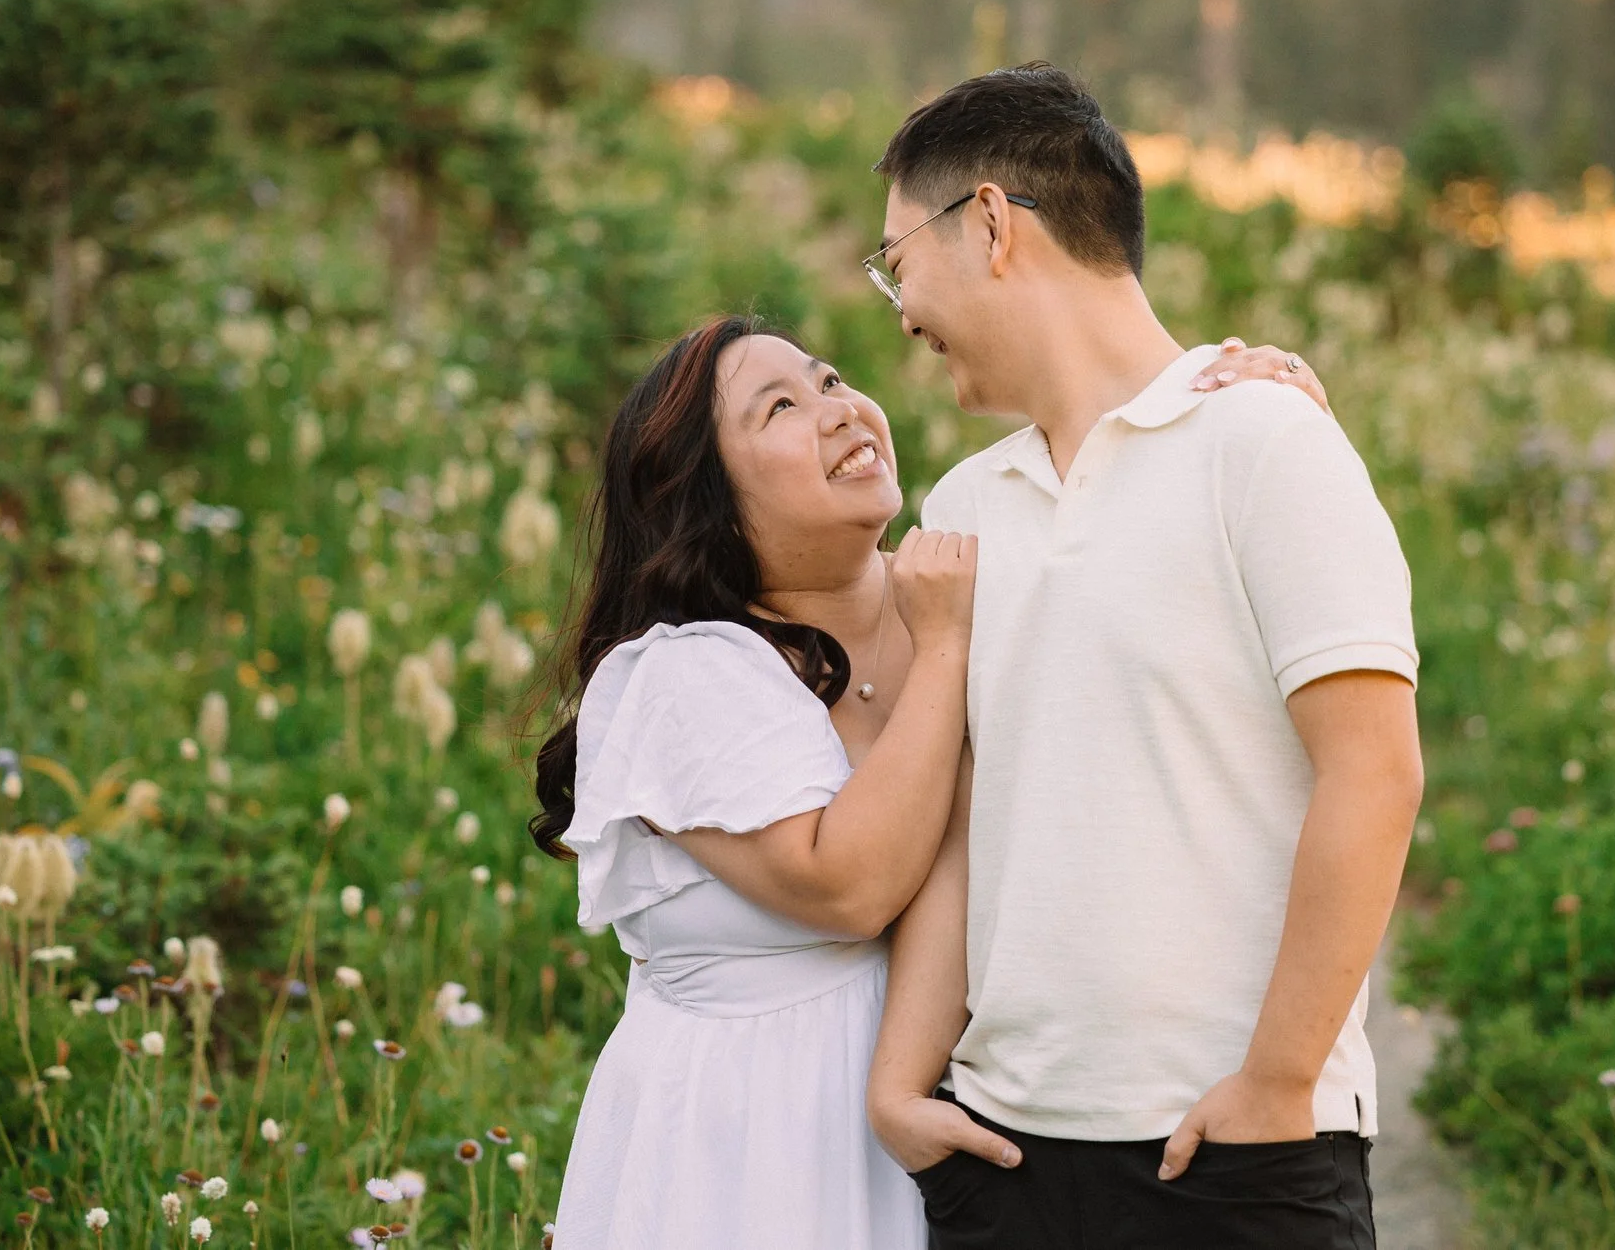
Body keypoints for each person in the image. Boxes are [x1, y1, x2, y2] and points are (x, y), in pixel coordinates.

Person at [531, 313, 1330, 1250]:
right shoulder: (683, 675)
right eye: (779, 407)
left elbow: (1135, 556)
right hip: (745, 1146)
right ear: (703, 500)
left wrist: (1237, 407)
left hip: (965, 1134)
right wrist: (945, 648)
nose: (837, 408)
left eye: (829, 379)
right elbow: (848, 886)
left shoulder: (962, 583)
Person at [864, 63, 1426, 1250]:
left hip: (1237, 1150)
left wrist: (1276, 1081)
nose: (898, 309)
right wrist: (901, 1086)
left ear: (991, 223)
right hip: (1003, 1157)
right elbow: (969, 819)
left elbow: (1374, 771)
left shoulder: (1265, 442)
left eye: (896, 261)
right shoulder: (961, 510)